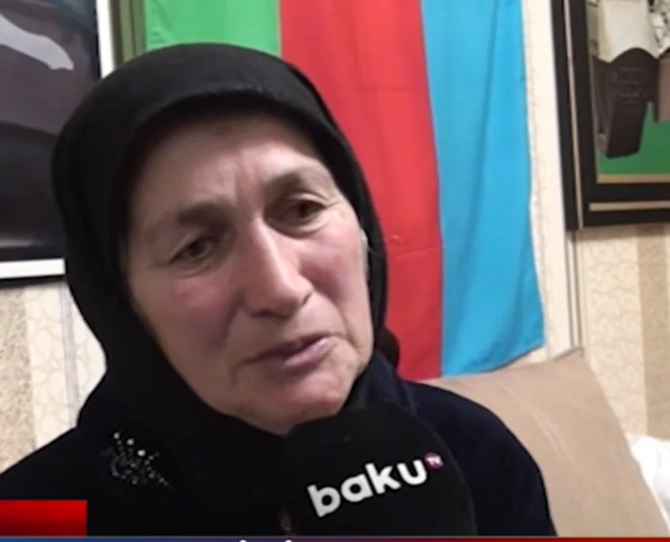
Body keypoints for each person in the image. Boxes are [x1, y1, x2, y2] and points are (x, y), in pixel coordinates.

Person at [0, 43, 556, 536]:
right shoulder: (31, 518)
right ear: (122, 306)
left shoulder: (474, 455)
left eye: (302, 209)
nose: (281, 289)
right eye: (197, 247)